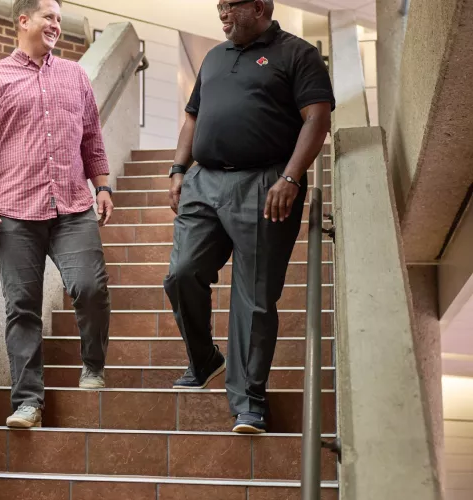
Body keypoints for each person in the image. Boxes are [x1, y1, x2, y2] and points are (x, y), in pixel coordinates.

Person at [164, 0, 334, 434]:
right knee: (182, 273)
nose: (221, 13)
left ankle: (249, 402)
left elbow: (316, 118)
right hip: (205, 182)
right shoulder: (215, 57)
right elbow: (192, 117)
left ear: (257, 6)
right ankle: (204, 359)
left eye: (229, 5)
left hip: (266, 183)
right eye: (218, 6)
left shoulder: (297, 53)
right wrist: (179, 169)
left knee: (254, 298)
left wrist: (292, 178)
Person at [0, 0, 114, 429]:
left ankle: (94, 365)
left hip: (72, 205)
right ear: (23, 20)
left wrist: (101, 185)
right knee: (22, 306)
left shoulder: (76, 76)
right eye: (49, 17)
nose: (55, 26)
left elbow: (92, 139)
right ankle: (28, 401)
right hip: (14, 210)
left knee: (89, 288)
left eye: (59, 20)